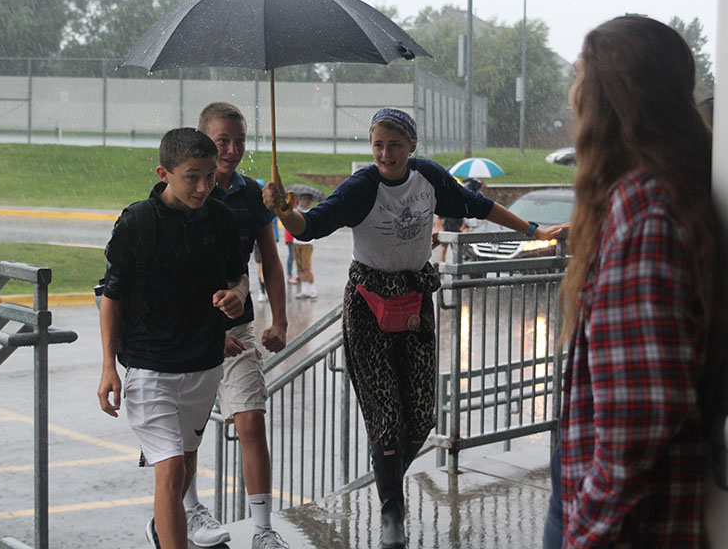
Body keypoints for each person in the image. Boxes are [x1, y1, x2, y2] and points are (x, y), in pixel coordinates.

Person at [263, 108, 564, 549]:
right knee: (385, 419)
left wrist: (535, 229)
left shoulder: (428, 178)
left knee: (421, 416)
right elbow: (312, 226)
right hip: (368, 306)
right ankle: (392, 511)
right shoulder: (362, 187)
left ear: (413, 147)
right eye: (378, 144)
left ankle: (385, 473)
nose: (386, 153)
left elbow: (478, 205)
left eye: (396, 145)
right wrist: (285, 213)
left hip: (416, 301)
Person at [548, 15, 716, 548]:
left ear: (606, 98)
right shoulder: (666, 192)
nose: (572, 95)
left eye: (579, 77)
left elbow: (637, 418)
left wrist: (584, 532)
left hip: (621, 528)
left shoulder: (641, 209)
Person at [96, 128, 249, 549]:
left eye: (209, 176)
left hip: (203, 365)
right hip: (149, 367)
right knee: (168, 470)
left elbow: (239, 275)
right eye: (192, 177)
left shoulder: (219, 218)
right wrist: (109, 367)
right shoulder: (138, 222)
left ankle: (161, 532)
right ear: (164, 173)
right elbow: (112, 298)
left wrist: (236, 295)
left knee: (182, 466)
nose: (203, 187)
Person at [181, 102, 289, 549]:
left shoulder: (251, 195)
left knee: (251, 421)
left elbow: (269, 260)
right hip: (188, 330)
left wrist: (279, 320)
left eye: (239, 140)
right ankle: (188, 513)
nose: (232, 149)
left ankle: (262, 529)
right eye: (222, 140)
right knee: (185, 432)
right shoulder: (186, 191)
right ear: (204, 140)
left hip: (239, 327)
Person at [291, 193, 317, 299]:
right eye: (302, 199)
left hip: (307, 243)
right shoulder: (295, 211)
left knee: (307, 267)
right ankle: (304, 289)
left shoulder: (311, 212)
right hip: (297, 242)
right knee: (300, 268)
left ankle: (312, 289)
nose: (304, 201)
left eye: (307, 199)